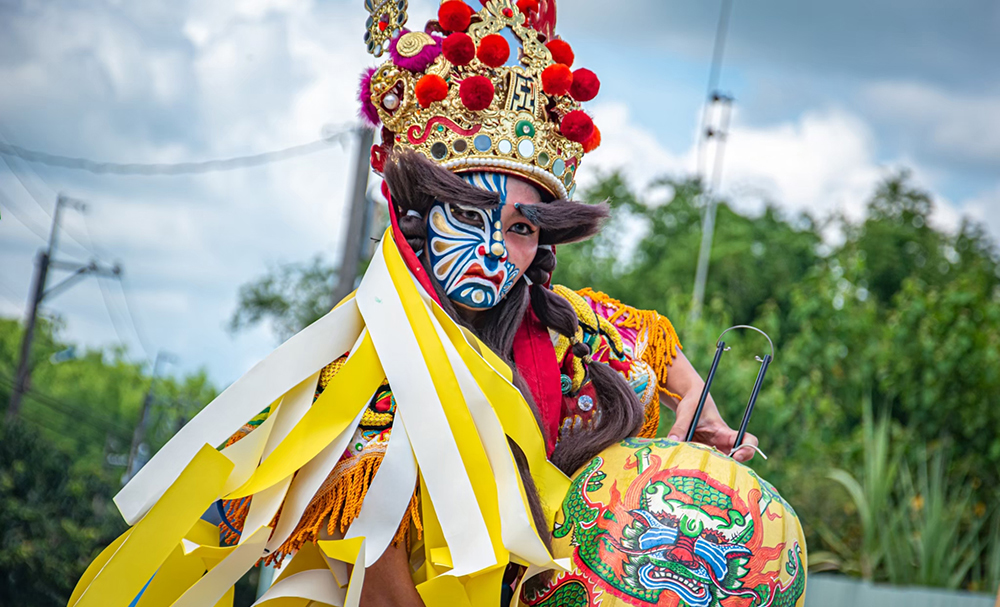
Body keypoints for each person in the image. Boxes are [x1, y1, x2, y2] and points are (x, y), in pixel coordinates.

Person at [70, 2, 756, 606]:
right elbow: (374, 574)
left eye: (520, 227)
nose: (495, 250)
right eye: (471, 214)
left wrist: (708, 432)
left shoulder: (575, 334)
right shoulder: (361, 381)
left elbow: (678, 374)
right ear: (421, 216)